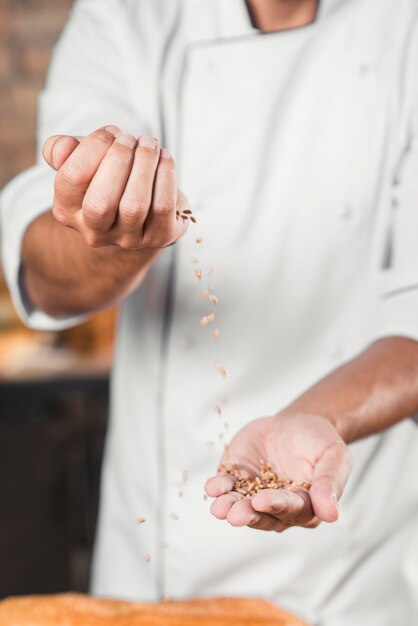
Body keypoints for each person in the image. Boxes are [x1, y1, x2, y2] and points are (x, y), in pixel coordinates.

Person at [1, 0, 418, 623]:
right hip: (154, 564)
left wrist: (314, 418)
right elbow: (45, 274)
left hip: (349, 573)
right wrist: (108, 234)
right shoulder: (126, 14)